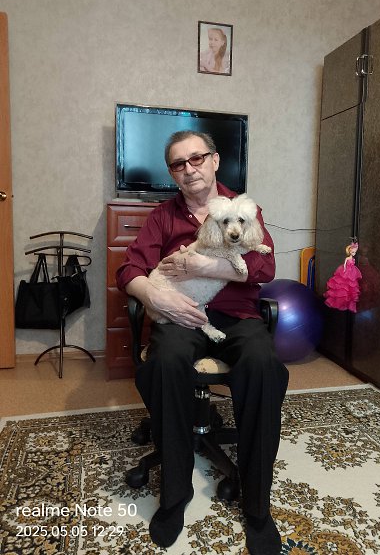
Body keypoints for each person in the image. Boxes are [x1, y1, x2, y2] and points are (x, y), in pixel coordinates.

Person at [116, 130, 289, 555]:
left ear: (215, 160)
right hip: (180, 315)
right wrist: (154, 295)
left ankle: (257, 507)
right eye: (178, 163)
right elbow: (128, 270)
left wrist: (204, 266)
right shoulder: (163, 216)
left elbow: (264, 267)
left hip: (237, 316)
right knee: (164, 363)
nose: (189, 169)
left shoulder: (243, 208)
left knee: (264, 366)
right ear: (172, 173)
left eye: (197, 158)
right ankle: (175, 495)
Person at [323, 240, 362, 313]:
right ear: (349, 251)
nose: (354, 253)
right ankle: (340, 302)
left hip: (352, 271)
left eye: (354, 252)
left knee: (351, 285)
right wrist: (344, 269)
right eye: (353, 252)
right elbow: (345, 264)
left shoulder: (353, 258)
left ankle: (348, 303)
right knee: (342, 285)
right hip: (346, 271)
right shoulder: (347, 258)